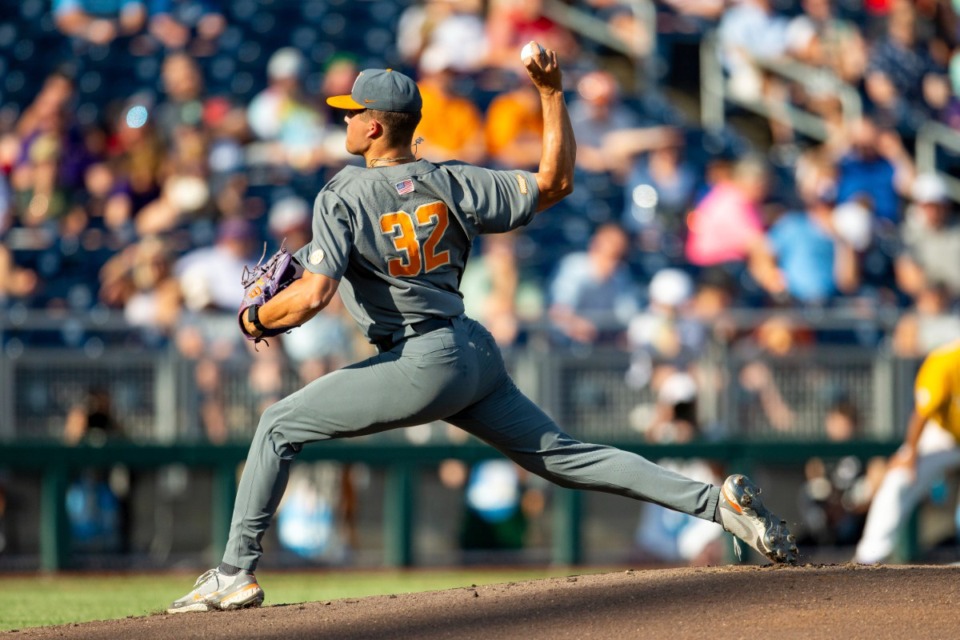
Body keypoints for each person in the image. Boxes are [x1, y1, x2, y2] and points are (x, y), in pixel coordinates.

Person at [168, 43, 798, 614]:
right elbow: (556, 183)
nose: (344, 120)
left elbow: (312, 297)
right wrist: (551, 94)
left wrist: (254, 316)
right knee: (566, 457)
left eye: (351, 111)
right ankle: (719, 505)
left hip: (419, 360)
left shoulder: (343, 191)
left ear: (376, 124)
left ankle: (234, 573)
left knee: (277, 424)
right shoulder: (453, 180)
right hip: (473, 353)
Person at [855, 340, 960, 564]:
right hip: (945, 435)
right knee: (899, 479)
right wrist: (910, 453)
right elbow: (922, 413)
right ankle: (869, 557)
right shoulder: (947, 361)